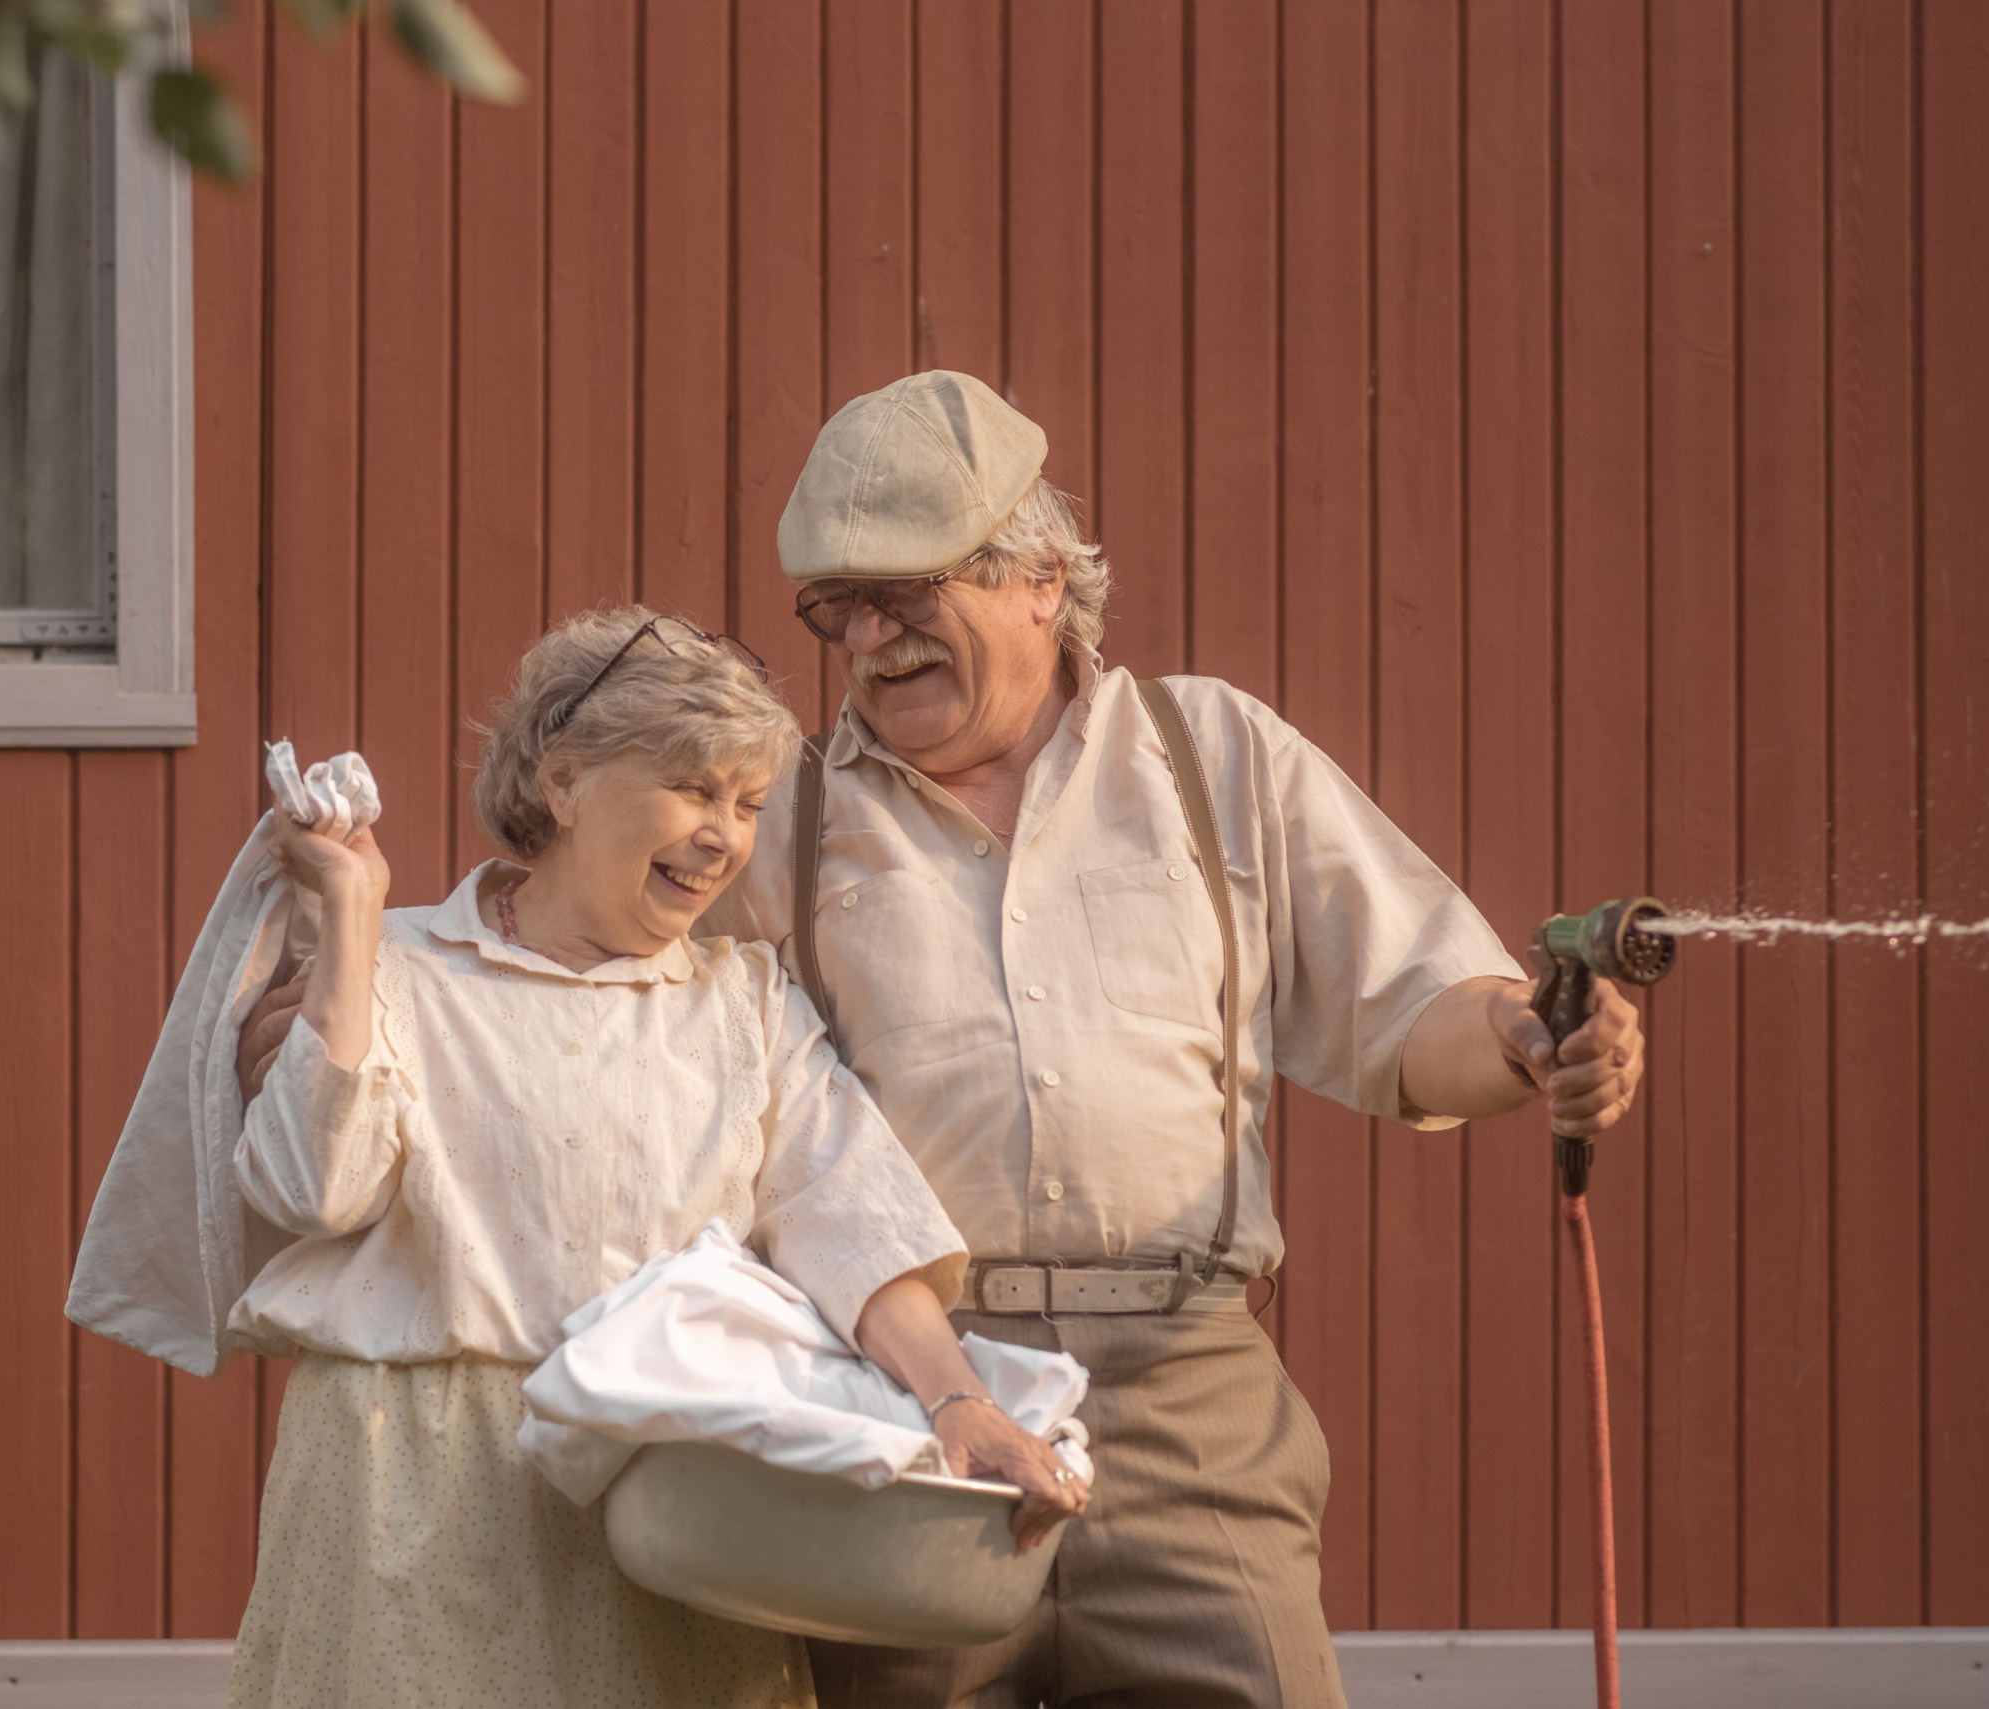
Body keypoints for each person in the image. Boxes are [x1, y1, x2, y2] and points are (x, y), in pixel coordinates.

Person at [693, 371, 1647, 1709]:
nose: (873, 639)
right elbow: (593, 999)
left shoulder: (1211, 756)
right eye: (838, 607)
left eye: (910, 593)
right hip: (900, 1402)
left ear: (1040, 575)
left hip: (1191, 1398)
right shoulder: (771, 817)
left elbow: (1417, 1005)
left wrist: (1524, 1035)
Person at [222, 606, 1086, 1709]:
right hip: (412, 1495)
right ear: (564, 780)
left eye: (746, 801)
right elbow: (310, 1188)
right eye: (691, 786)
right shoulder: (394, 969)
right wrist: (349, 915)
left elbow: (857, 1229)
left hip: (672, 1502)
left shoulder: (743, 1007)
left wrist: (962, 1402)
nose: (723, 833)